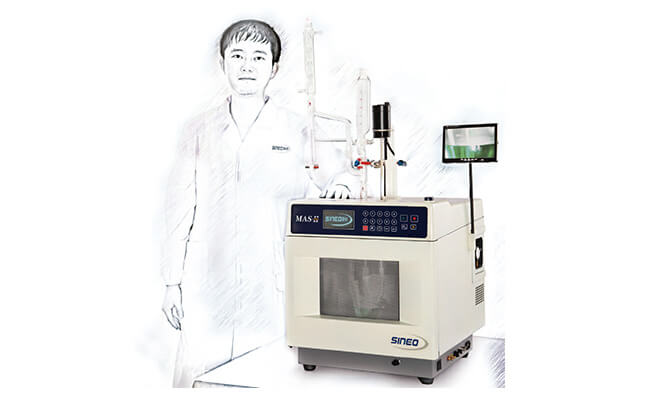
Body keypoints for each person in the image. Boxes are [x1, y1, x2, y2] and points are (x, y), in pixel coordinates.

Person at [161, 19, 354, 387]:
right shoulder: (198, 129)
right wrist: (172, 282)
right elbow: (178, 210)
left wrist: (343, 184)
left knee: (266, 376)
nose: (247, 66)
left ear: (274, 68)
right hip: (207, 280)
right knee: (200, 379)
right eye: (237, 55)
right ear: (223, 63)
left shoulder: (298, 128)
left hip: (270, 280)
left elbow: (340, 174)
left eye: (258, 57)